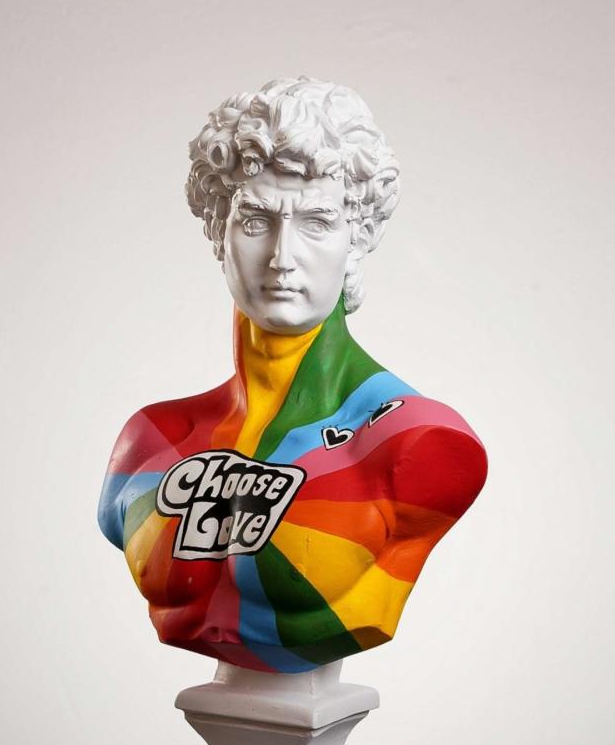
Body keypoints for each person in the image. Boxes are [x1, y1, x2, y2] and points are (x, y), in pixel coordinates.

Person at [98, 77, 487, 672]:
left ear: (359, 236)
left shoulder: (416, 440)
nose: (282, 257)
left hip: (312, 711)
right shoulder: (150, 440)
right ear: (218, 230)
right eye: (256, 220)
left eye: (317, 223)